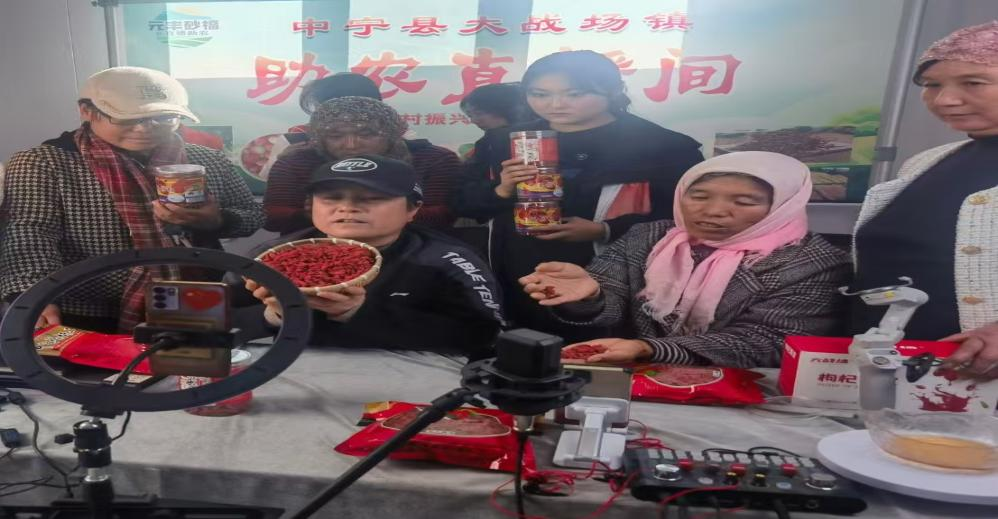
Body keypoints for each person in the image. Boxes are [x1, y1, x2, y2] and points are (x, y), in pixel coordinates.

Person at [452, 50, 704, 341]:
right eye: (540, 94)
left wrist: (604, 229)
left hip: (612, 272)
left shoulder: (663, 146)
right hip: (519, 266)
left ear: (612, 90)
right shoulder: (505, 141)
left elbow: (687, 217)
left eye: (575, 94)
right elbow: (462, 202)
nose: (556, 104)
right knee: (522, 344)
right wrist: (502, 189)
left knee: (597, 347)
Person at [520, 152, 850, 368]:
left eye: (744, 202)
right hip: (635, 378)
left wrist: (651, 349)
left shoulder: (812, 263)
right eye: (699, 196)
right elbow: (610, 296)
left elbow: (766, 343)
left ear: (785, 205)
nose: (714, 210)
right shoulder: (649, 236)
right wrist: (591, 296)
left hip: (746, 392)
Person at [0, 66, 263, 333]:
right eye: (126, 118)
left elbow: (251, 215)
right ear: (86, 111)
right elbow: (30, 233)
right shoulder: (45, 162)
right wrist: (34, 295)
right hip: (86, 310)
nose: (145, 128)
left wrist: (217, 220)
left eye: (163, 118)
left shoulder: (205, 159)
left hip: (197, 300)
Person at [851, 21, 998, 380]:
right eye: (932, 85)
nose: (944, 99)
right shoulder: (927, 162)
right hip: (892, 368)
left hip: (978, 379)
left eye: (973, 82)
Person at [246, 155, 503, 359]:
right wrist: (274, 315)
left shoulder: (448, 261)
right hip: (286, 371)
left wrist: (356, 312)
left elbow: (483, 335)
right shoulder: (274, 256)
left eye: (372, 198)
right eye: (331, 198)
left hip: (412, 380)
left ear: (413, 209)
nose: (347, 207)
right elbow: (222, 322)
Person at [263, 96, 462, 234]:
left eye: (366, 134)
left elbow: (444, 214)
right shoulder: (296, 161)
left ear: (391, 134)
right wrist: (309, 214)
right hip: (310, 250)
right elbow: (272, 218)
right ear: (319, 138)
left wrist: (342, 215)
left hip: (416, 250)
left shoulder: (433, 159)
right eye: (335, 136)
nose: (351, 144)